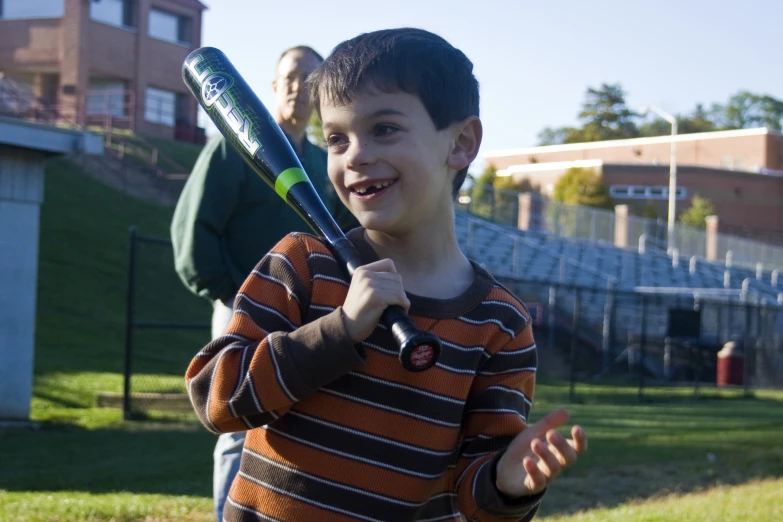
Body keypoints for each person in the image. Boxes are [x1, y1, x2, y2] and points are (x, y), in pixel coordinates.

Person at [184, 28, 587, 522]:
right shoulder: (302, 265)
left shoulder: (500, 325)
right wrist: (339, 331)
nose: (355, 155)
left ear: (461, 143)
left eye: (385, 129)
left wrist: (507, 484)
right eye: (336, 138)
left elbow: (475, 494)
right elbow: (217, 398)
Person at [171, 45, 357, 522]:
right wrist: (235, 293)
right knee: (237, 427)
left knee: (291, 423)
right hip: (240, 307)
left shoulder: (322, 163)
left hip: (306, 317)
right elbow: (193, 237)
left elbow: (342, 237)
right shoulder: (234, 149)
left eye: (309, 79)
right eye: (290, 76)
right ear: (273, 86)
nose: (298, 86)